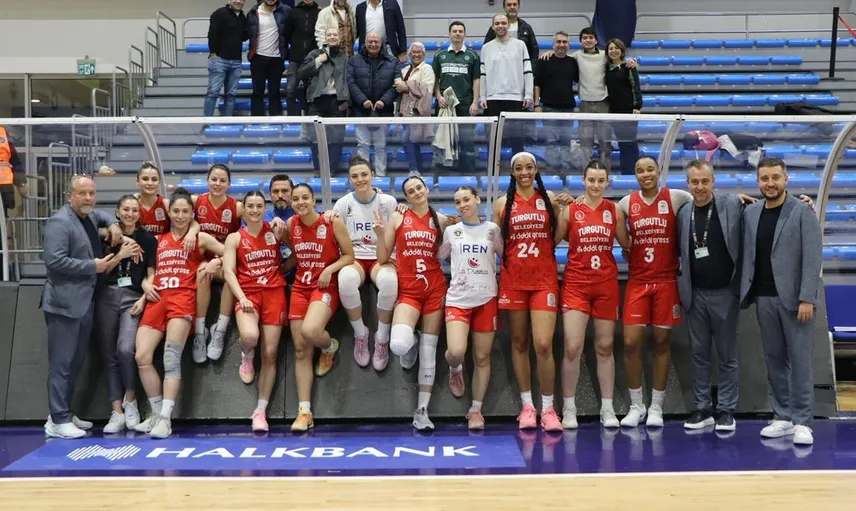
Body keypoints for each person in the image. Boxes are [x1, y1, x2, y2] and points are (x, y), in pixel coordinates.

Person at [740, 157, 822, 446]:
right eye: (764, 178)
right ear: (758, 181)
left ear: (786, 179)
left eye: (775, 177)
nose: (770, 183)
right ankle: (783, 416)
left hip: (796, 301)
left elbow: (812, 258)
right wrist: (734, 198)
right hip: (764, 297)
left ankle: (803, 421)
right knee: (774, 360)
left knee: (800, 362)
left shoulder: (802, 211)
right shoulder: (751, 213)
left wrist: (807, 298)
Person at [133, 188, 225, 438]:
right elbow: (147, 272)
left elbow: (230, 252)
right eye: (176, 211)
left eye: (185, 211)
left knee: (171, 358)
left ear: (192, 213)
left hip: (182, 300)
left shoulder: (200, 237)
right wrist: (145, 286)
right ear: (169, 212)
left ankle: (166, 418)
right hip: (157, 299)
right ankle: (155, 414)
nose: (180, 216)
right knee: (142, 356)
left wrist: (214, 262)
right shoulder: (157, 240)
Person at [42, 174, 125, 438]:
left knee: (75, 363)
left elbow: (101, 215)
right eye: (82, 193)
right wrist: (93, 266)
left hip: (84, 303)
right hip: (64, 304)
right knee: (61, 365)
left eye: (91, 193)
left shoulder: (87, 215)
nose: (88, 198)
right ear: (70, 196)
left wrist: (113, 223)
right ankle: (58, 419)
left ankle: (64, 413)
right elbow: (54, 262)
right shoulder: (60, 222)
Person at [492, 151, 565, 432]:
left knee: (543, 344)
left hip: (543, 279)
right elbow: (497, 241)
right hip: (514, 280)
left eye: (529, 167)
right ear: (512, 172)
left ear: (536, 170)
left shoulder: (549, 199)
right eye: (519, 168)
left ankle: (548, 408)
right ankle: (527, 406)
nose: (524, 172)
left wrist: (566, 207)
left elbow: (556, 236)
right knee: (519, 342)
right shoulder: (502, 203)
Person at [553, 160, 629, 429]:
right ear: (583, 181)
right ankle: (569, 408)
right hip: (576, 284)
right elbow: (551, 240)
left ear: (607, 182)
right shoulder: (571, 210)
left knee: (605, 347)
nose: (596, 185)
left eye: (601, 181)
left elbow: (627, 244)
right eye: (591, 180)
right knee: (572, 347)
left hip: (606, 285)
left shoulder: (614, 210)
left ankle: (607, 408)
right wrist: (556, 208)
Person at [617, 156, 692, 428]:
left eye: (650, 169)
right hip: (638, 280)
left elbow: (705, 201)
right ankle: (636, 405)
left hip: (666, 281)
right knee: (630, 343)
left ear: (659, 172)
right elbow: (619, 234)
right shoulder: (626, 203)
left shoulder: (677, 197)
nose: (645, 174)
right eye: (640, 170)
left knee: (662, 342)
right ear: (635, 175)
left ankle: (656, 406)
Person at [376, 175, 452, 431]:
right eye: (411, 191)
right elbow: (383, 258)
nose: (416, 192)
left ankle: (422, 411)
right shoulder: (398, 218)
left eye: (419, 187)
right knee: (398, 344)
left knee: (430, 352)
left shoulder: (441, 220)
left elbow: (448, 254)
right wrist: (380, 235)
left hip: (434, 289)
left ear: (427, 189)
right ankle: (411, 342)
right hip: (408, 290)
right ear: (406, 197)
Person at [284, 183, 354, 432]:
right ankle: (304, 412)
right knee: (301, 350)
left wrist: (329, 269)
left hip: (324, 286)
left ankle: (330, 346)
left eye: (305, 197)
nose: (300, 202)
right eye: (296, 199)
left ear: (314, 200)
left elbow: (349, 256)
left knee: (311, 331)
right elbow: (294, 253)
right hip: (300, 288)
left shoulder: (331, 221)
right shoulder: (291, 224)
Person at [223, 191, 294, 432]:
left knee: (271, 353)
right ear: (243, 209)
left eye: (259, 206)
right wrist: (241, 297)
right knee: (250, 336)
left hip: (274, 293)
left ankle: (260, 411)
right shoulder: (234, 237)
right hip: (248, 294)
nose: (254, 210)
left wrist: (279, 271)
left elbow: (297, 253)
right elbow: (228, 271)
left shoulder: (275, 231)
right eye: (250, 206)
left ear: (265, 208)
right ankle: (246, 355)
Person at [437, 185, 502, 430]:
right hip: (458, 299)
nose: (462, 205)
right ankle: (455, 368)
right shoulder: (452, 231)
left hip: (486, 299)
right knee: (455, 351)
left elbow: (506, 256)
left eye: (466, 199)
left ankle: (475, 409)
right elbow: (439, 256)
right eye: (457, 202)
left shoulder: (492, 230)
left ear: (477, 199)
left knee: (482, 357)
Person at [94, 195, 158, 433]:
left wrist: (144, 298)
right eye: (126, 210)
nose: (130, 214)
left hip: (132, 298)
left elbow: (151, 275)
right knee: (109, 354)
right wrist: (120, 254)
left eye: (134, 210)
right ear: (117, 212)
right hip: (106, 296)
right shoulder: (107, 236)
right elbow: (100, 272)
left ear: (140, 214)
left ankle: (130, 400)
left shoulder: (148, 239)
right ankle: (116, 411)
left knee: (125, 349)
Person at [334, 156, 398, 371]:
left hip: (382, 255)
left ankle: (382, 338)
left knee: (389, 281)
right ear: (349, 179)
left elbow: (396, 230)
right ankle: (360, 334)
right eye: (355, 176)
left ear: (372, 175)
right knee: (346, 279)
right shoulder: (343, 204)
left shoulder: (388, 202)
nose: (360, 179)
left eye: (364, 174)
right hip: (355, 257)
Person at [192, 164, 244, 364]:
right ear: (207, 180)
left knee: (232, 276)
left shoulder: (236, 207)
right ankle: (199, 332)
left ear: (229, 184)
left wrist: (220, 260)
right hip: (202, 260)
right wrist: (193, 228)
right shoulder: (196, 201)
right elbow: (172, 207)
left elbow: (256, 222)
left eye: (223, 180)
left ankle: (219, 330)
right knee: (202, 273)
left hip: (225, 259)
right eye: (214, 179)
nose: (217, 183)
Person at [479, 13, 533, 156]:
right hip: (493, 98)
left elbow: (527, 71)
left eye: (503, 23)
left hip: (515, 97)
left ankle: (517, 166)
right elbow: (483, 74)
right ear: (492, 26)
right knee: (493, 139)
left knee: (517, 140)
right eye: (497, 23)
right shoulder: (486, 48)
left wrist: (528, 94)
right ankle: (493, 167)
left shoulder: (520, 45)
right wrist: (483, 96)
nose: (500, 26)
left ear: (509, 25)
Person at [299, 26, 350, 174]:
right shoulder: (315, 54)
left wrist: (347, 102)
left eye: (335, 34)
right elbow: (301, 73)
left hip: (337, 102)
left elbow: (349, 81)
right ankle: (318, 170)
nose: (332, 37)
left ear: (339, 38)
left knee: (336, 140)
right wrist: (318, 61)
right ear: (325, 38)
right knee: (314, 139)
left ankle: (332, 170)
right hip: (316, 102)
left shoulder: (345, 58)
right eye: (329, 34)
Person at [347, 31, 398, 176]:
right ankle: (363, 174)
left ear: (382, 44)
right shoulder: (354, 60)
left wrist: (384, 101)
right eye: (370, 41)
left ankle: (380, 175)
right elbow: (350, 82)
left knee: (381, 146)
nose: (373, 44)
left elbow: (396, 85)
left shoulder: (392, 61)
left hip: (383, 111)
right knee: (362, 145)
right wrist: (362, 100)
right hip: (360, 111)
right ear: (365, 43)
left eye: (376, 42)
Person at [432, 21, 480, 172]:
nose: (457, 34)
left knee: (466, 140)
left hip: (466, 104)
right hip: (445, 104)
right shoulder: (440, 55)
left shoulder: (472, 55)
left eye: (460, 31)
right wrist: (438, 96)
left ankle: (468, 171)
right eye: (454, 31)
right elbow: (435, 79)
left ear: (465, 34)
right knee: (445, 138)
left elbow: (476, 80)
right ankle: (445, 170)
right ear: (449, 34)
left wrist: (475, 102)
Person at [533, 31, 579, 174]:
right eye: (558, 42)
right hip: (549, 107)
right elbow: (537, 84)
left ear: (568, 45)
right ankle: (551, 172)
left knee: (566, 142)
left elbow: (578, 80)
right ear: (553, 44)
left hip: (568, 108)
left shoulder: (573, 62)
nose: (561, 45)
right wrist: (536, 104)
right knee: (551, 142)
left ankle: (565, 171)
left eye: (564, 42)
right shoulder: (544, 60)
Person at [396, 42, 436, 176]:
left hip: (418, 113)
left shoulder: (427, 69)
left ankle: (413, 169)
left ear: (424, 54)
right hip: (405, 112)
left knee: (406, 139)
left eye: (419, 52)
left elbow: (427, 90)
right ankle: (419, 171)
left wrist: (407, 86)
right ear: (409, 54)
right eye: (414, 52)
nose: (416, 54)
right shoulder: (405, 70)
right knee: (413, 142)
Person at [204, 0, 248, 118]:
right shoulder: (219, 13)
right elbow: (212, 34)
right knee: (213, 92)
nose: (238, 1)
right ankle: (207, 122)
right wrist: (213, 53)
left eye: (242, 0)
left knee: (231, 95)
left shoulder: (242, 17)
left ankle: (228, 122)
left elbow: (243, 36)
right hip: (219, 60)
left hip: (236, 61)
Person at [605, 38, 642, 175]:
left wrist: (637, 106)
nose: (613, 51)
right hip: (614, 112)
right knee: (622, 143)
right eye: (611, 49)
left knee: (630, 143)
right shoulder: (606, 68)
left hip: (629, 111)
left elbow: (635, 87)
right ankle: (625, 173)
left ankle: (634, 172)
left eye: (616, 48)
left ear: (622, 50)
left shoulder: (629, 67)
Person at [247, 0, 290, 116]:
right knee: (257, 92)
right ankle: (256, 120)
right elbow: (248, 33)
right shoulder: (253, 12)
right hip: (257, 57)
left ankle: (276, 119)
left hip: (276, 58)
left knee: (274, 92)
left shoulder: (286, 11)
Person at [285, 0, 321, 117]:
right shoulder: (293, 12)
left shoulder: (319, 13)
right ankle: (291, 119)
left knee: (311, 92)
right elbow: (287, 33)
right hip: (295, 58)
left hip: (312, 59)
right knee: (290, 90)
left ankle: (309, 118)